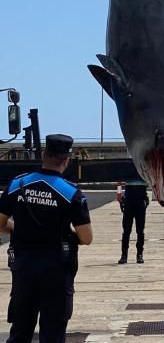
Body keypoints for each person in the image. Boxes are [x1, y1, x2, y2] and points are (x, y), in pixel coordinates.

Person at [0, 134, 93, 343]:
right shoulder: (71, 193)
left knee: (20, 331)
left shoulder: (17, 184)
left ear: (44, 154)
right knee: (53, 332)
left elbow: (0, 223)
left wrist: (19, 229)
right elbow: (86, 238)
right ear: (67, 161)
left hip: (23, 268)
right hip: (56, 271)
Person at [118, 179, 149, 264]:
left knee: (140, 230)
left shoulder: (142, 170)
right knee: (126, 230)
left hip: (140, 199)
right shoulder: (129, 169)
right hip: (129, 200)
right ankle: (124, 255)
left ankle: (139, 254)